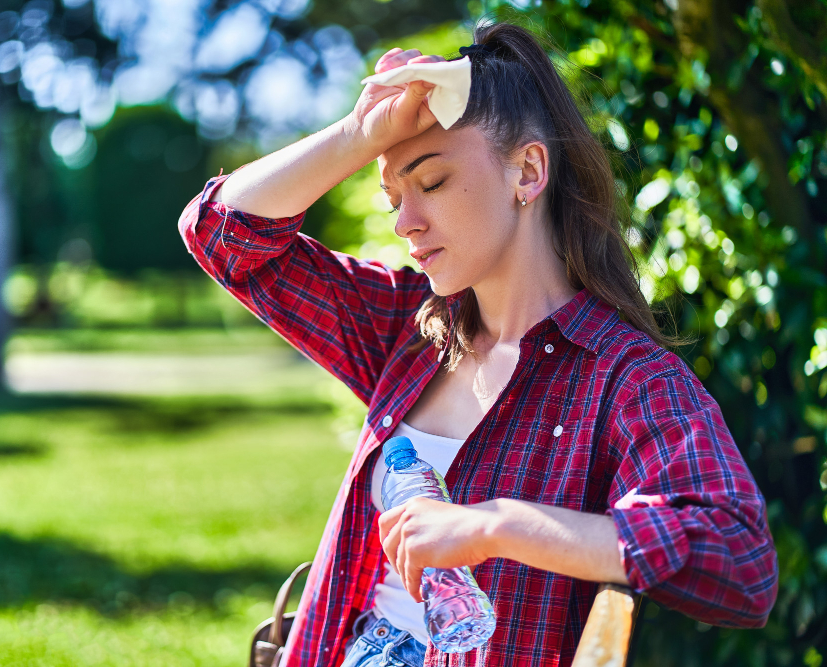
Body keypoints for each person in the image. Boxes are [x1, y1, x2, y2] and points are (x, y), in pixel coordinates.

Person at [178, 19, 778, 667]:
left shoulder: (626, 379)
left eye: (431, 183)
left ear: (527, 170)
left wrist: (497, 524)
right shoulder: (408, 327)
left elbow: (741, 561)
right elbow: (223, 237)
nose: (405, 222)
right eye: (392, 196)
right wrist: (363, 132)